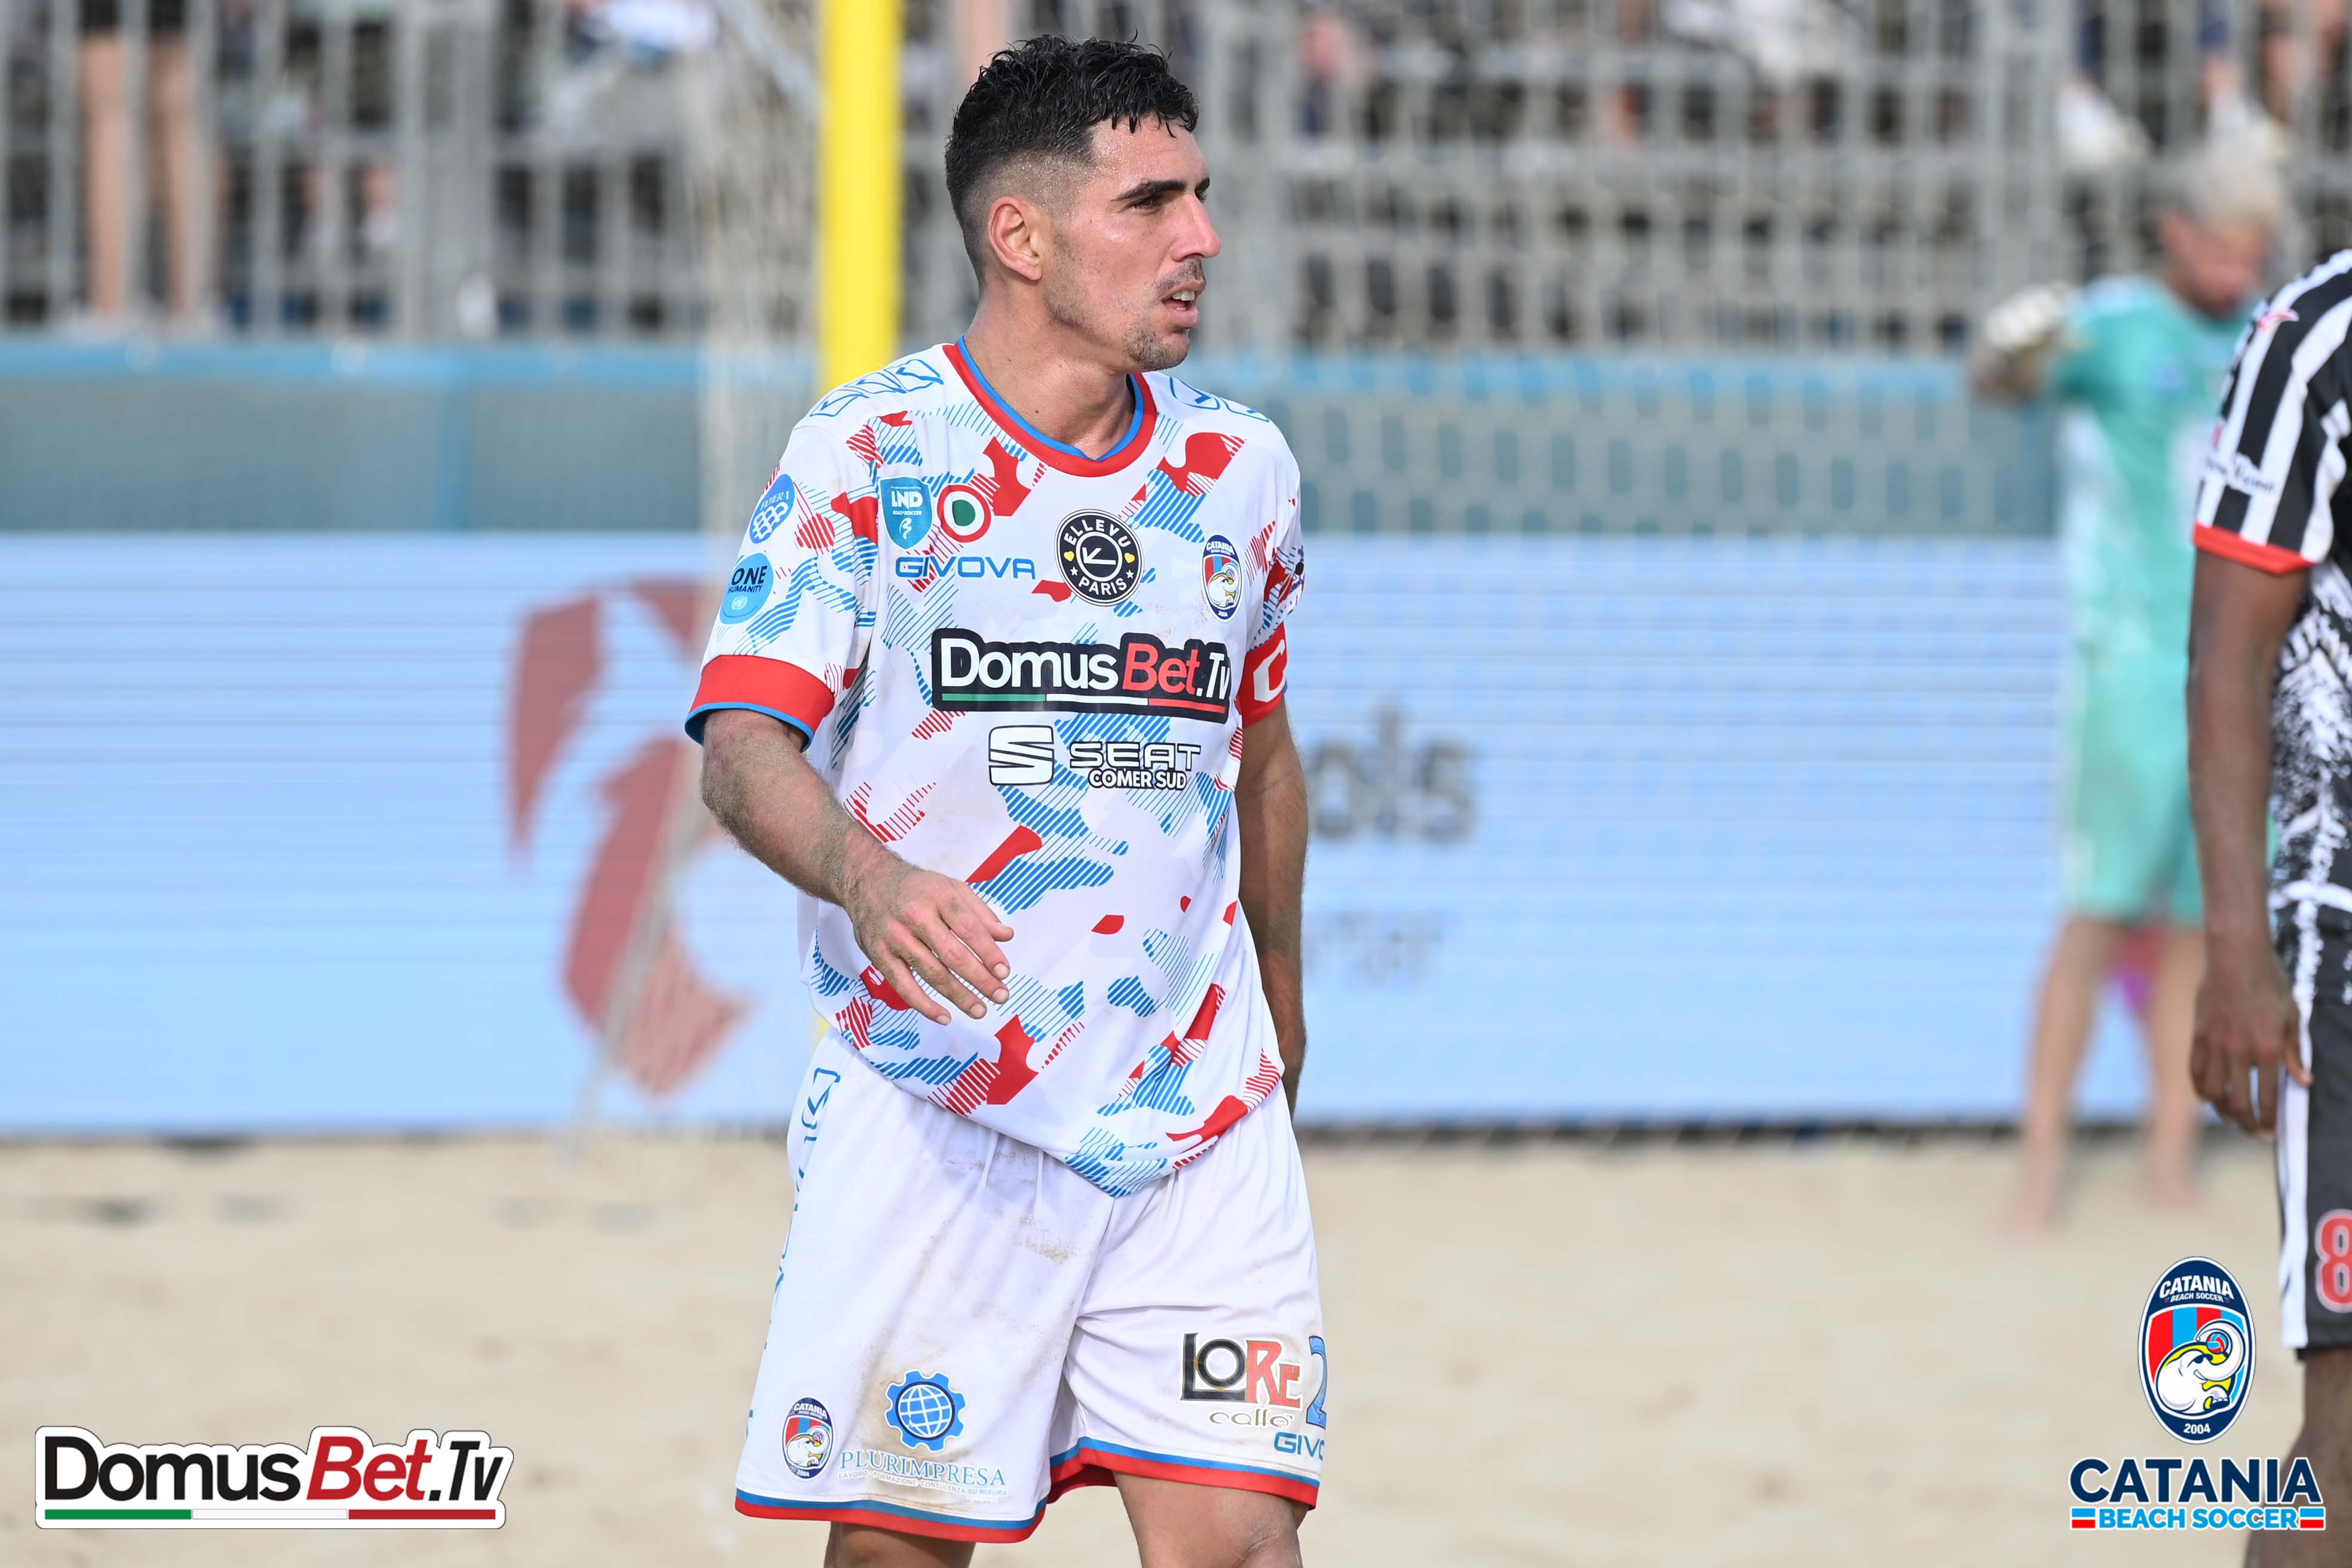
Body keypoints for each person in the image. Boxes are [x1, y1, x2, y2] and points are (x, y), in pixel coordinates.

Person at [687, 35, 1321, 1567]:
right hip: (941, 1097)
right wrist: (869, 878)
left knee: (1241, 1541)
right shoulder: (869, 452)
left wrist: (1281, 998)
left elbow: (1263, 752)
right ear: (1021, 236)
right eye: (1150, 203)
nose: (1200, 237)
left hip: (1197, 1099)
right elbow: (742, 746)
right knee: (900, 1550)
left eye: (1201, 196)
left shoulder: (1242, 467)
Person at [1974, 140, 2283, 1230]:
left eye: (2255, 252)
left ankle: (2168, 1160)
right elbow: (2000, 382)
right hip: (2132, 663)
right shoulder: (2113, 328)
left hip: (2237, 674)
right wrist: (2008, 350)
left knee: (2207, 924)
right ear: (2174, 232)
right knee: (2100, 910)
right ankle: (2040, 1168)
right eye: (2224, 249)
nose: (2240, 272)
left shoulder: (2264, 340)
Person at [2189, 241, 2352, 1566]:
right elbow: (2228, 653)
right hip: (2343, 937)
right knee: (2349, 1425)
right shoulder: (2313, 340)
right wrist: (2237, 948)